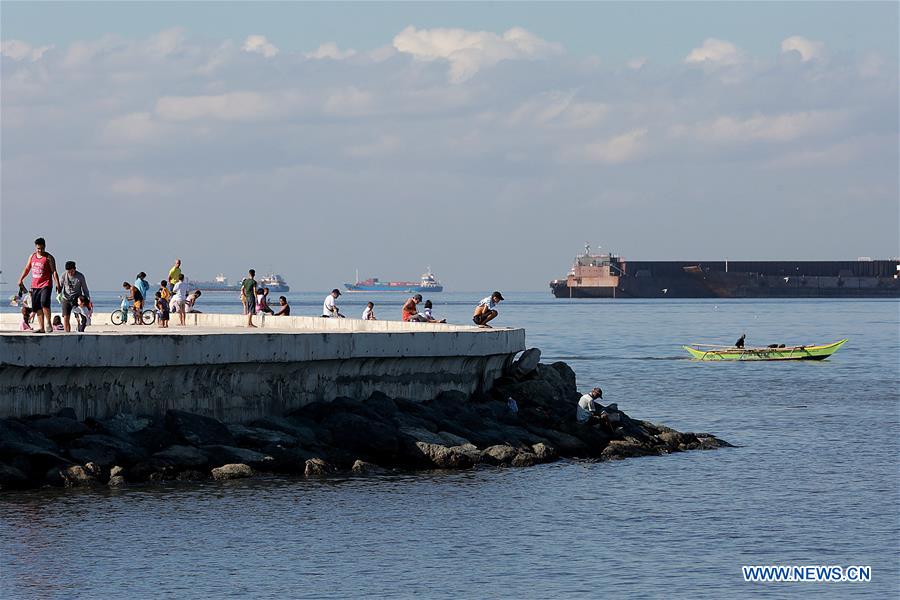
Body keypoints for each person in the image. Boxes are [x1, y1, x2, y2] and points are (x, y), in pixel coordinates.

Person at [16, 237, 61, 333]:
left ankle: (48, 323)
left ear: (45, 247)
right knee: (37, 307)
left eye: (41, 248)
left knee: (44, 302)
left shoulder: (49, 258)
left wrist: (58, 284)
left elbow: (54, 272)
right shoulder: (32, 256)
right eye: (38, 248)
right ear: (35, 247)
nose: (40, 250)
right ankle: (42, 327)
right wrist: (21, 279)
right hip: (35, 285)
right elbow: (27, 268)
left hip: (46, 284)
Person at [60, 260, 91, 333]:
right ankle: (67, 332)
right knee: (66, 317)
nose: (70, 273)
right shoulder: (63, 275)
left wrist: (87, 299)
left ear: (75, 269)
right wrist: (58, 293)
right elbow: (60, 287)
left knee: (80, 316)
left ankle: (80, 328)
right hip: (66, 298)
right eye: (68, 271)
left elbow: (85, 289)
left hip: (77, 299)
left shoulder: (80, 276)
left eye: (72, 271)